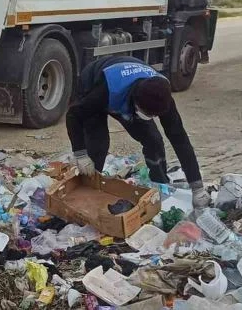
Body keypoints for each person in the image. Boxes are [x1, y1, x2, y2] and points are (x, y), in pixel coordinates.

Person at [65, 56, 210, 208]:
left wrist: (197, 187)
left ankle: (160, 186)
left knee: (154, 140)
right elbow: (73, 115)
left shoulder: (162, 97)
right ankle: (88, 192)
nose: (150, 118)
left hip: (129, 96)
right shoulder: (105, 91)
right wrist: (80, 153)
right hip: (95, 83)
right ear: (134, 102)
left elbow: (179, 138)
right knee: (98, 145)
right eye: (145, 114)